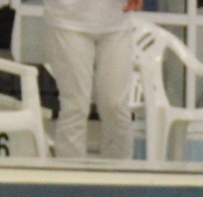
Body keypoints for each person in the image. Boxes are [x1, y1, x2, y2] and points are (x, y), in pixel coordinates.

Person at [47, 0, 141, 160]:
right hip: (68, 19)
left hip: (117, 19)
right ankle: (69, 179)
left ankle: (120, 179)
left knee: (116, 106)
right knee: (75, 107)